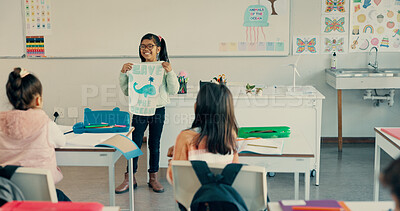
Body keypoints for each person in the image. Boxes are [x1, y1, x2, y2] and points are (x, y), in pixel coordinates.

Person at [117, 33, 179, 193]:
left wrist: (170, 72)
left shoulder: (163, 67)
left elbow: (173, 90)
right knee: (134, 143)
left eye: (150, 46)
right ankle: (129, 176)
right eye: (143, 46)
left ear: (158, 49)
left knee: (154, 144)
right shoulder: (136, 69)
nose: (146, 49)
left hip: (158, 109)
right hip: (139, 109)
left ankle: (153, 177)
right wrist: (123, 74)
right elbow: (126, 91)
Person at [0, 67, 70, 201]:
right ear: (38, 100)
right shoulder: (46, 124)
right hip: (42, 196)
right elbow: (62, 141)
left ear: (10, 100)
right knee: (64, 200)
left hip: (7, 195)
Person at [166, 82, 239, 183]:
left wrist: (172, 163)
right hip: (223, 196)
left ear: (197, 107)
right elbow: (233, 175)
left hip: (194, 197)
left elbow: (174, 178)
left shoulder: (185, 138)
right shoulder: (230, 135)